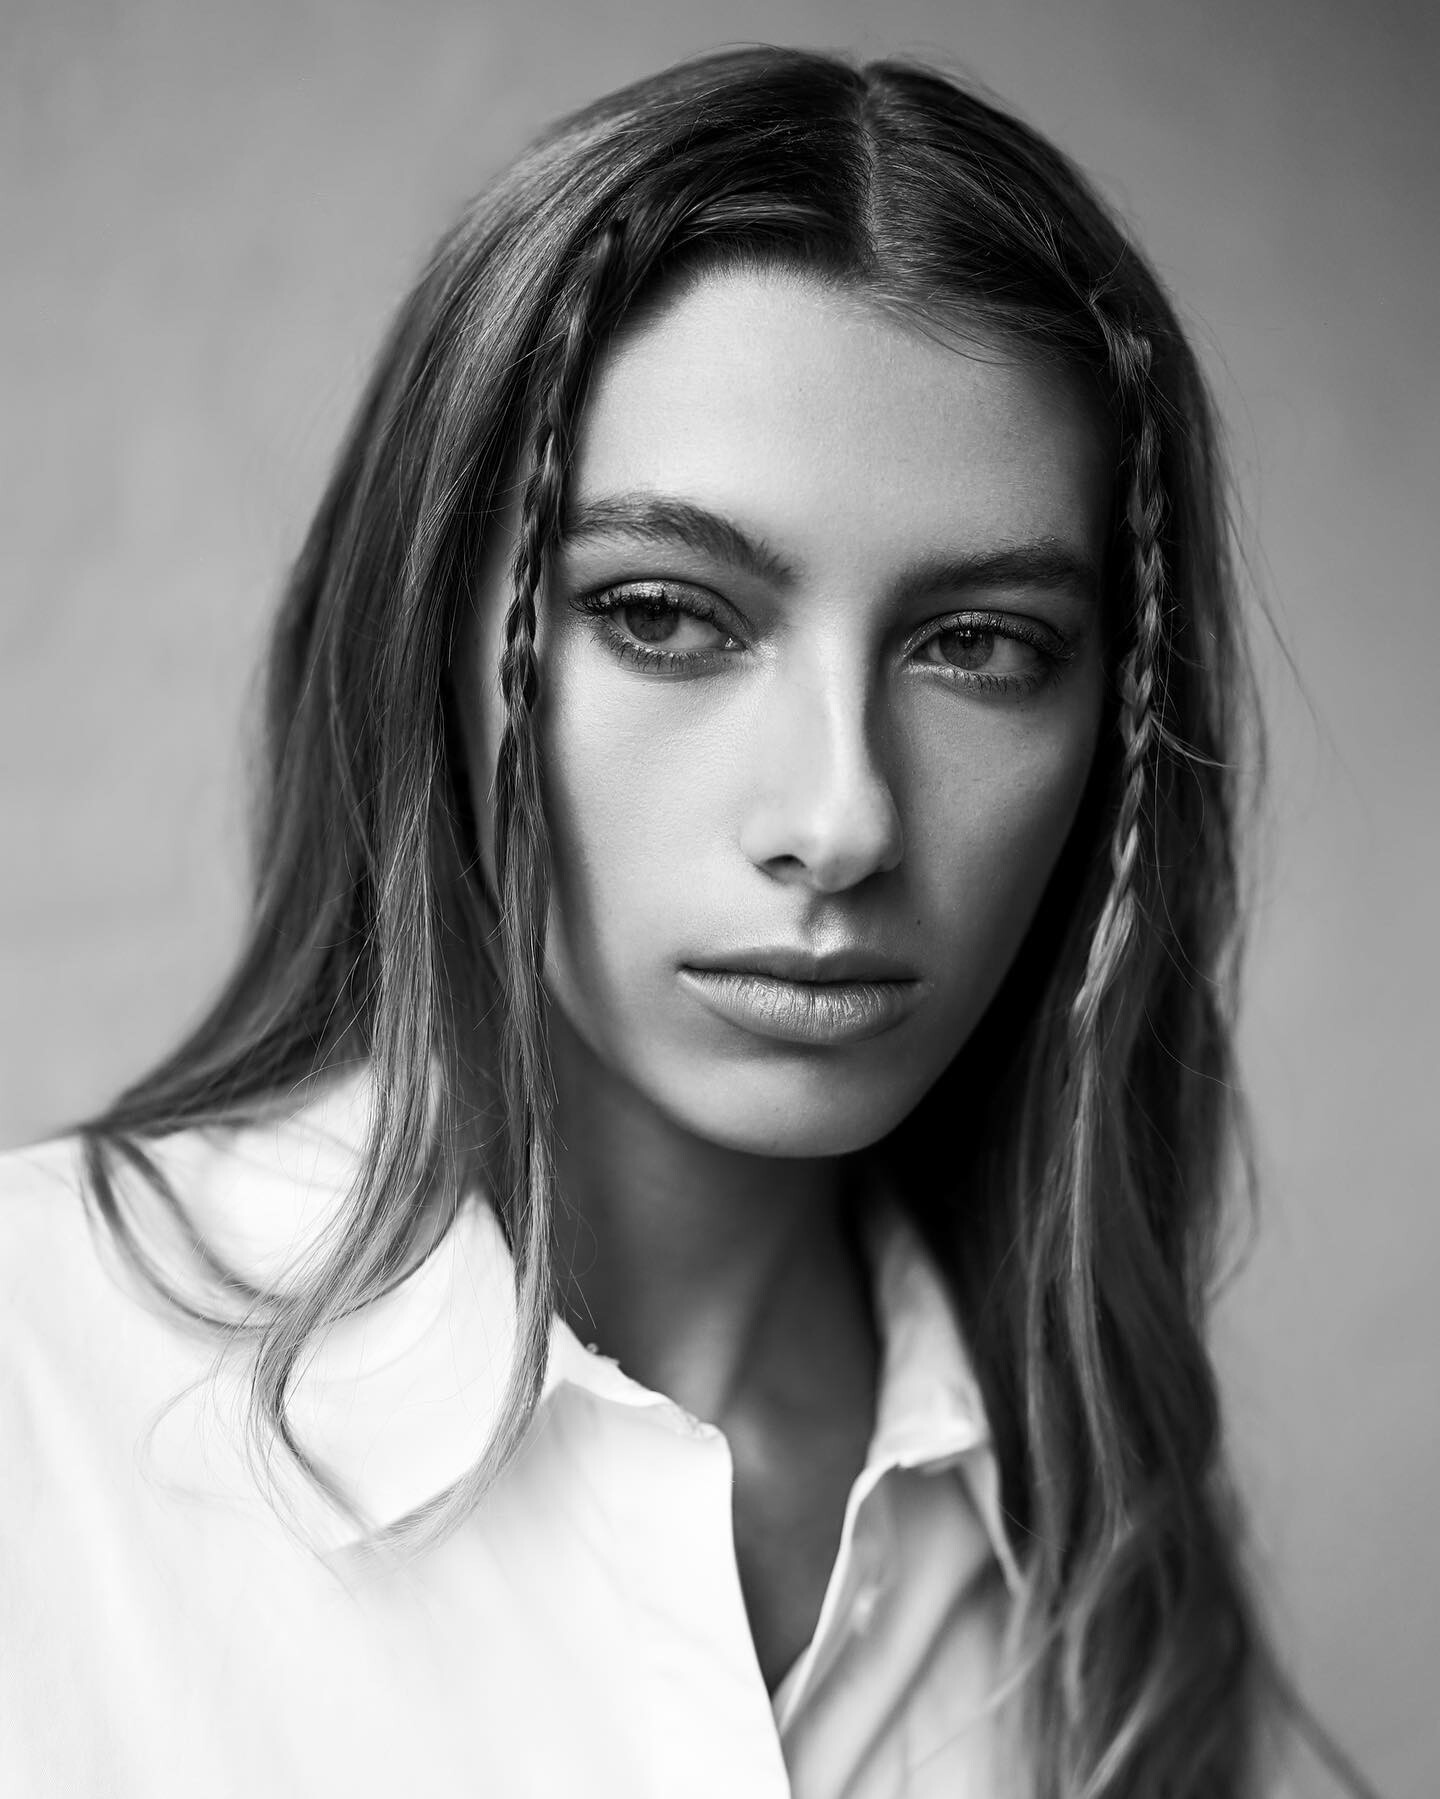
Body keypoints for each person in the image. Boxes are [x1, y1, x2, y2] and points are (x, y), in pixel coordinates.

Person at [0, 44, 1351, 1799]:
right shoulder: (39, 1392)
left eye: (981, 647)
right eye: (663, 615)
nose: (842, 820)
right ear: (431, 644)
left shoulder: (1105, 1573)